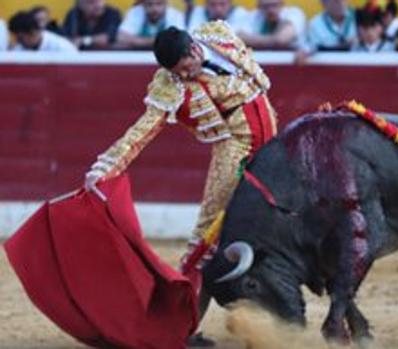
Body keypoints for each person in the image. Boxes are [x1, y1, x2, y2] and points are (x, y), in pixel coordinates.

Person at [84, 22, 277, 344]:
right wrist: (105, 168)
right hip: (235, 147)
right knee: (205, 239)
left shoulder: (219, 35)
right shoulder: (169, 84)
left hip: (272, 139)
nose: (184, 76)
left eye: (185, 67)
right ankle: (185, 328)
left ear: (193, 49)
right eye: (177, 72)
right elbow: (142, 130)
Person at [116, 0, 185, 50]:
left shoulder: (175, 14)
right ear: (143, 4)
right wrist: (157, 41)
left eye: (159, 4)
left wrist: (137, 42)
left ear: (166, 4)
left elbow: (178, 41)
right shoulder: (135, 12)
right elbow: (121, 37)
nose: (154, 9)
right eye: (150, 4)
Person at [238, 0, 305, 50]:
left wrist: (254, 41)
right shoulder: (253, 16)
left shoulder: (294, 13)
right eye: (266, 6)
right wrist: (274, 39)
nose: (270, 10)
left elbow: (282, 40)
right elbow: (240, 37)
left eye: (274, 5)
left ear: (282, 4)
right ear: (259, 6)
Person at [9, 11, 78, 52]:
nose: (17, 42)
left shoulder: (61, 47)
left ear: (34, 32)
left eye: (20, 39)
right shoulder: (19, 49)